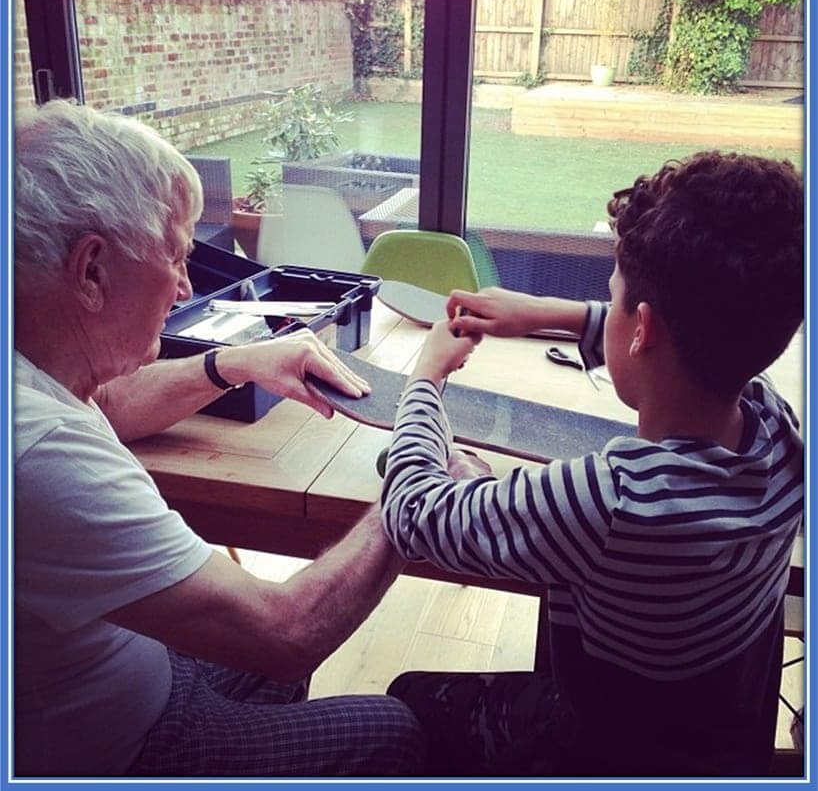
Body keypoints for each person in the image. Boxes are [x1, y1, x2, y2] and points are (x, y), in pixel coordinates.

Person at [14, 99, 425, 777]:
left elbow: (111, 404)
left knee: (273, 671)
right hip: (124, 747)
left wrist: (232, 362)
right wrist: (411, 492)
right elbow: (286, 631)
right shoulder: (38, 452)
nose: (183, 288)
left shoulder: (35, 361)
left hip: (138, 662)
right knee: (393, 729)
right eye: (175, 256)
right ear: (90, 271)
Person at [379, 151, 803, 777]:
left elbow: (414, 513)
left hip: (602, 748)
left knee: (406, 703)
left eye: (612, 295)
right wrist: (544, 311)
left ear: (643, 329)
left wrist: (425, 375)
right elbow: (680, 335)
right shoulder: (778, 429)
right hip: (714, 739)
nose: (607, 304)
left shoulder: (611, 500)